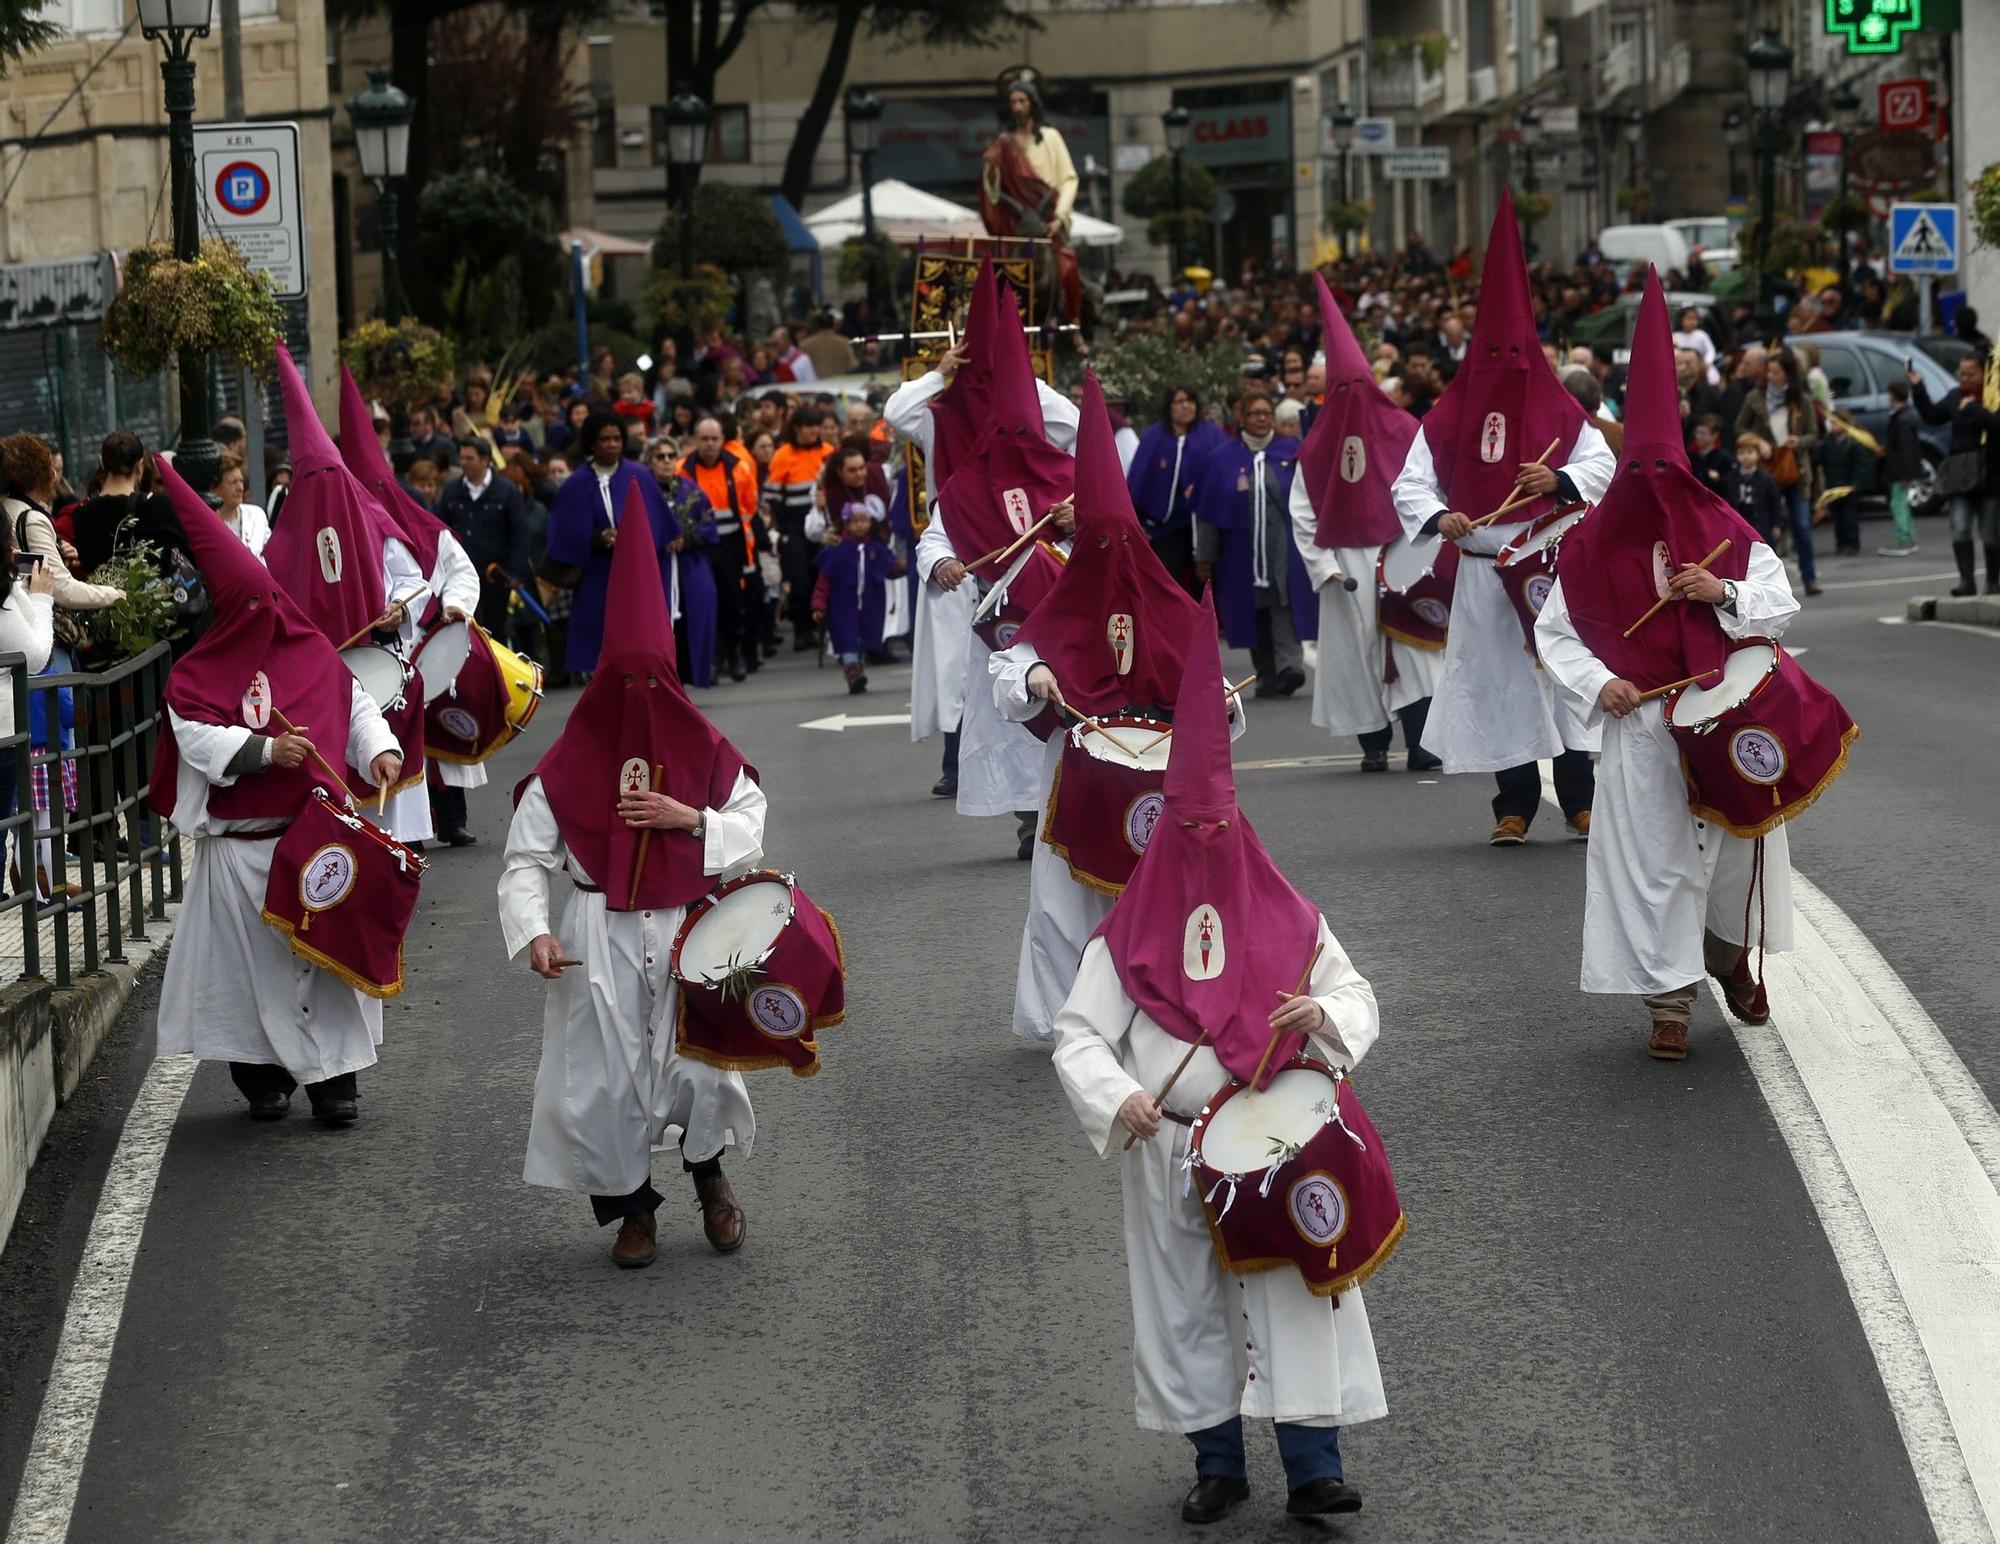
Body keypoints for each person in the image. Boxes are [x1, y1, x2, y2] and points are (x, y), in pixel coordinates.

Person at [1051, 597, 1385, 1526]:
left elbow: (1358, 999)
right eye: (1186, 837)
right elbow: (1077, 1033)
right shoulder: (1125, 937)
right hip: (1169, 1145)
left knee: (1292, 1289)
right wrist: (1116, 1097)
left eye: (1217, 836)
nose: (1205, 854)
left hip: (1269, 1136)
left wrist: (1321, 1012)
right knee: (1190, 1304)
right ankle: (1218, 1461)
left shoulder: (1290, 918)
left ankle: (1315, 1464)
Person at [1535, 271, 1833, 1060]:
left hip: (1720, 717)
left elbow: (1778, 602)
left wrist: (1722, 590)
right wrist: (1605, 684)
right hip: (1642, 726)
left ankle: (1730, 960)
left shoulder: (1723, 525)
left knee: (1739, 851)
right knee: (1655, 862)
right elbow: (1556, 634)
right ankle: (1668, 1003)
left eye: (1666, 475)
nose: (1655, 491)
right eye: (1642, 476)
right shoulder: (1590, 546)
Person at [499, 484, 759, 1267]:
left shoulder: (703, 746)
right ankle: (631, 1211)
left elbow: (750, 824)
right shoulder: (566, 765)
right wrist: (536, 933)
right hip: (596, 932)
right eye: (628, 684)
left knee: (699, 1070)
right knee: (607, 1081)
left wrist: (692, 819)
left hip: (686, 924)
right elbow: (524, 858)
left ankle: (710, 1178)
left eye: (656, 683)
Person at [148, 455, 402, 1123]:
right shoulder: (195, 678)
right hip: (241, 850)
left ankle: (335, 1084)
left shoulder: (312, 651)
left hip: (312, 839)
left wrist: (379, 751)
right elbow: (197, 740)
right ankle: (264, 1080)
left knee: (326, 962)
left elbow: (355, 706)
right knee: (247, 977)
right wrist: (264, 749)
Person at [992, 374, 1236, 1045]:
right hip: (1076, 767)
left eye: (1121, 544)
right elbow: (1011, 665)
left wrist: (1216, 703)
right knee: (1061, 901)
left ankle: (1170, 1004)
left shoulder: (1165, 601)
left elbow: (1212, 691)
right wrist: (1036, 672)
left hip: (1156, 770)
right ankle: (1065, 1019)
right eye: (1097, 546)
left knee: (1167, 893)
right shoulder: (1063, 602)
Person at [1390, 193, 1614, 846]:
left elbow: (1599, 461)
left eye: (1513, 355)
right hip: (1486, 574)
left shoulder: (1558, 407)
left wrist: (1558, 478)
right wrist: (1442, 516)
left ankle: (1579, 799)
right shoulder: (1450, 411)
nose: (1504, 368)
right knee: (1500, 685)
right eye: (1491, 355)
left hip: (1547, 568)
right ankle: (1512, 805)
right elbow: (1412, 480)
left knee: (1565, 680)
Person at [885, 260, 1078, 803]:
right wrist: (939, 373)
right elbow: (896, 411)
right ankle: (981, 777)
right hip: (975, 569)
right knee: (970, 681)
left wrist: (1078, 508)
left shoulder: (1047, 453)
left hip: (1047, 585)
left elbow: (1080, 436)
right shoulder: (941, 418)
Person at [264, 344, 433, 848]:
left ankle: (400, 840)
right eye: (311, 480)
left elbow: (412, 580)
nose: (323, 487)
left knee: (395, 713)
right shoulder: (279, 543)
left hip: (377, 654)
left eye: (330, 477)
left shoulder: (374, 521)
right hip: (319, 672)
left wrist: (398, 608)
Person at [1288, 275, 1440, 771]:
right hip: (1346, 563)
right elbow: (1304, 510)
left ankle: (1421, 743)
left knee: (1415, 655)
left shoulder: (1403, 430)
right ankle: (1373, 745)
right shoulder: (1316, 449)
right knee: (1356, 659)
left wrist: (1419, 550)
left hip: (1398, 555)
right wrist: (1325, 567)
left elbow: (1425, 487)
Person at [336, 366, 484, 849]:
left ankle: (452, 817)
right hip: (381, 653)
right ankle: (402, 829)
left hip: (431, 641)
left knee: (443, 729)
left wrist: (457, 607)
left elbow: (460, 573)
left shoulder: (428, 531)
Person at [1192, 389, 1317, 699]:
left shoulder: (1291, 452)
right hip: (1240, 550)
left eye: (1266, 413)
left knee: (1282, 604)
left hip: (1284, 548)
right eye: (1254, 413)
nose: (1262, 418)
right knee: (1251, 610)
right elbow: (1208, 512)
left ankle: (1290, 667)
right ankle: (1265, 674)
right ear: (1241, 418)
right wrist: (1205, 557)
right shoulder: (1221, 459)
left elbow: (1310, 499)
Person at [541, 411, 677, 677]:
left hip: (634, 573)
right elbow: (565, 531)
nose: (613, 444)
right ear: (592, 443)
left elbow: (658, 525)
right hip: (596, 572)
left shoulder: (639, 475)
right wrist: (598, 537)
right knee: (599, 636)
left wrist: (630, 536)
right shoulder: (577, 483)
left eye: (617, 438)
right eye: (605, 439)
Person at [980, 67, 1081, 321]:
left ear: (1032, 104)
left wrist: (1059, 217)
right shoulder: (1003, 143)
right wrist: (990, 168)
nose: (1017, 107)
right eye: (1013, 102)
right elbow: (992, 191)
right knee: (997, 274)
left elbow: (1068, 179)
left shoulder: (1051, 137)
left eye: (1022, 101)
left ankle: (1073, 325)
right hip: (1017, 224)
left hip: (1047, 221)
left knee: (1068, 268)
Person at [1733, 348, 1822, 597]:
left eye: (1776, 372)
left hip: (1795, 470)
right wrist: (1756, 441)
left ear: (1788, 375)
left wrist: (1799, 441)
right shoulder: (1755, 397)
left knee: (1802, 525)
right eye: (1769, 371)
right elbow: (1739, 427)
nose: (1770, 376)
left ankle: (1810, 578)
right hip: (1767, 470)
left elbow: (1815, 435)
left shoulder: (1801, 400)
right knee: (1764, 527)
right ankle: (1765, 582)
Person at [680, 417, 763, 684]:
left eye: (714, 439)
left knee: (732, 602)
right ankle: (711, 659)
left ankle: (734, 653)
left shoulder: (738, 467)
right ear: (695, 440)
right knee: (704, 604)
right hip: (699, 547)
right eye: (704, 439)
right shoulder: (684, 470)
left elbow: (750, 505)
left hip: (730, 545)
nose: (709, 444)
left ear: (722, 440)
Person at [1910, 354, 1999, 595]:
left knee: (1990, 533)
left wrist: (1973, 409)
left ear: (1985, 374)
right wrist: (1918, 387)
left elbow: (1995, 424)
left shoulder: (1993, 398)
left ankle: (1993, 581)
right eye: (1962, 374)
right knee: (1960, 527)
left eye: (1971, 374)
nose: (1965, 379)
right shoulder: (1955, 395)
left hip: (1990, 476)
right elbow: (1933, 415)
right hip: (1960, 475)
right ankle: (1966, 581)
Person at [1127, 386, 1221, 597]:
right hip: (1165, 526)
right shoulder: (1154, 436)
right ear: (1169, 407)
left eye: (1190, 401)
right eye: (1180, 401)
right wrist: (1141, 520)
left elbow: (1222, 470)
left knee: (1204, 582)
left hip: (1202, 523)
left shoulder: (1211, 435)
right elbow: (1140, 479)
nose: (1186, 406)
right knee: (1167, 578)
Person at [436, 437, 533, 638]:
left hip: (494, 577)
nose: (463, 463)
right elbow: (440, 530)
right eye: (461, 458)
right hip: (459, 577)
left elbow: (520, 532)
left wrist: (514, 572)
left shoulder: (507, 491)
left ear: (485, 460)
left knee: (494, 631)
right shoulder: (452, 491)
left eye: (469, 458)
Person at [646, 436, 718, 689]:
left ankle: (695, 671)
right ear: (650, 462)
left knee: (697, 612)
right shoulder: (643, 493)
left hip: (689, 564)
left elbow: (709, 527)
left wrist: (685, 539)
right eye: (660, 457)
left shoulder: (693, 492)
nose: (666, 462)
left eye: (670, 456)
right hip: (659, 567)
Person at [811, 492, 899, 693]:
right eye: (854, 521)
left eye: (863, 520)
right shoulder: (836, 550)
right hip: (842, 605)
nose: (859, 525)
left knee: (863, 637)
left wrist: (904, 566)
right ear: (846, 523)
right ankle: (852, 671)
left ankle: (856, 668)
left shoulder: (876, 548)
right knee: (846, 637)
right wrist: (819, 604)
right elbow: (823, 582)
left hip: (870, 604)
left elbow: (889, 569)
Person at [763, 413, 834, 652]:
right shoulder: (783, 455)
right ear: (796, 429)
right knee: (800, 578)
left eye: (816, 425)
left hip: (821, 524)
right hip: (793, 527)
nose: (812, 431)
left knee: (819, 576)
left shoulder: (827, 451)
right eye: (807, 426)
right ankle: (802, 631)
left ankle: (821, 629)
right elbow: (771, 498)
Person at [1878, 379, 1922, 557]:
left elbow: (1906, 449)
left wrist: (1905, 473)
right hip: (1901, 469)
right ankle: (1908, 538)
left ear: (1893, 396)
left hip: (1900, 471)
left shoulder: (1901, 419)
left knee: (1898, 504)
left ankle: (1904, 540)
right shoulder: (1904, 416)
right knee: (1902, 503)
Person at [1723, 433, 1782, 544]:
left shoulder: (1766, 478)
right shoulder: (1731, 477)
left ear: (1758, 454)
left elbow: (1774, 502)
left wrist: (1776, 524)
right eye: (1741, 453)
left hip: (1761, 524)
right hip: (1740, 523)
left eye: (1750, 452)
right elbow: (1727, 500)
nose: (1745, 456)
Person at [214, 454, 272, 557]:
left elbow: (273, 553)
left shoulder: (257, 515)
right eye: (233, 483)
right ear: (216, 489)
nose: (240, 488)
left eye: (241, 481)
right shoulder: (211, 522)